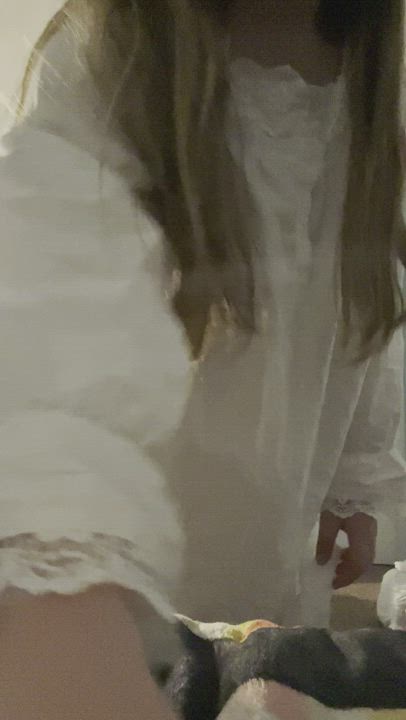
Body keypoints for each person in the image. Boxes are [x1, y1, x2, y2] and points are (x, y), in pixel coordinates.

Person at [0, 0, 405, 717]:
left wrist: (356, 483)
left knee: (256, 658)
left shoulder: (375, 87)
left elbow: (365, 309)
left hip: (279, 520)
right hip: (125, 534)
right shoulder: (106, 62)